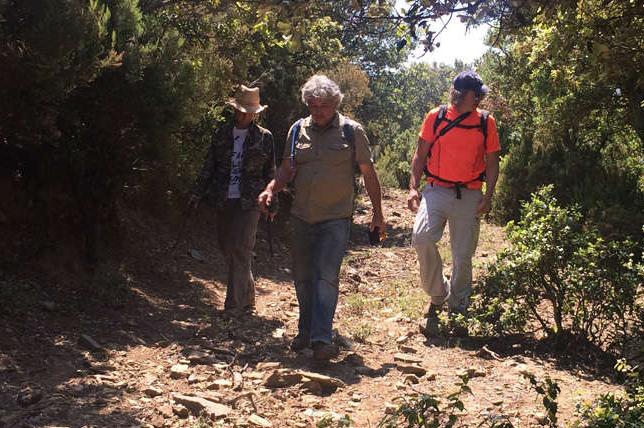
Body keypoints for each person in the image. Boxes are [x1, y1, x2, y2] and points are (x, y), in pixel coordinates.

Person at [258, 74, 385, 360]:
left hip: (336, 218)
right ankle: (305, 331)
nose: (317, 111)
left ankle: (321, 338)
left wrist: (378, 213)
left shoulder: (352, 131)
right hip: (302, 216)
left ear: (335, 104)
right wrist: (270, 190)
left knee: (326, 276)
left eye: (323, 106)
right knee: (303, 277)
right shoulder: (297, 130)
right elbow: (287, 169)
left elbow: (368, 173)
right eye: (312, 106)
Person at [407, 70, 501, 322]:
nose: (480, 100)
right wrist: (414, 187)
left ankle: (459, 310)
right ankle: (439, 294)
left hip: (470, 192)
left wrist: (488, 195)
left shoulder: (485, 122)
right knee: (422, 238)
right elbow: (420, 155)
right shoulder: (435, 117)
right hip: (436, 189)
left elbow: (492, 162)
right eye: (477, 95)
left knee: (462, 256)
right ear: (463, 95)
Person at [188, 85, 276, 313]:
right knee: (226, 247)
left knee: (241, 249)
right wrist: (197, 192)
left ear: (254, 114)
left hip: (251, 201)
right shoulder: (221, 134)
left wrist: (272, 201)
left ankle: (233, 306)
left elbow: (271, 172)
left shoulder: (264, 137)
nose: (242, 115)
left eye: (247, 111)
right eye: (239, 110)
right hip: (224, 198)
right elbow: (210, 165)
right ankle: (247, 295)